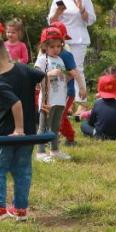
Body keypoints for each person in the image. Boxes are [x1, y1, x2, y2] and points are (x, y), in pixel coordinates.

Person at [0, 36, 45, 221]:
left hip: (5, 135)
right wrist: (44, 103)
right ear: (6, 53)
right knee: (23, 170)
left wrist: (18, 128)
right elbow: (42, 76)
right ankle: (20, 210)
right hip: (29, 135)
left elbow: (16, 103)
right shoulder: (24, 69)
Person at [47, 0, 96, 75]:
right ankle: (62, 91)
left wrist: (82, 10)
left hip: (78, 39)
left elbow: (91, 20)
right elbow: (51, 22)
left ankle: (79, 91)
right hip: (59, 39)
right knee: (58, 67)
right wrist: (57, 13)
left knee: (76, 68)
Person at [33, 27, 71, 162]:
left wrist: (67, 77)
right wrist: (49, 74)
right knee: (43, 126)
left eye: (58, 46)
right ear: (45, 46)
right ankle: (40, 152)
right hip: (47, 100)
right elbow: (36, 77)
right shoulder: (42, 59)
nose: (56, 49)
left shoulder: (60, 60)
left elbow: (62, 76)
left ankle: (54, 150)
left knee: (55, 126)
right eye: (52, 46)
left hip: (60, 99)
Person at [82, 73, 116, 140]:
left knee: (84, 124)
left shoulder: (97, 103)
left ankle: (94, 133)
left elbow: (91, 122)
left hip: (100, 134)